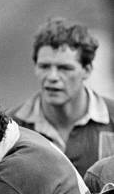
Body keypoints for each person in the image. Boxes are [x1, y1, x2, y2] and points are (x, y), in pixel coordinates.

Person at [8, 17, 114, 176]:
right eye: (44, 66)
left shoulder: (111, 118)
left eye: (64, 68)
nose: (52, 76)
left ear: (87, 70)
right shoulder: (11, 127)